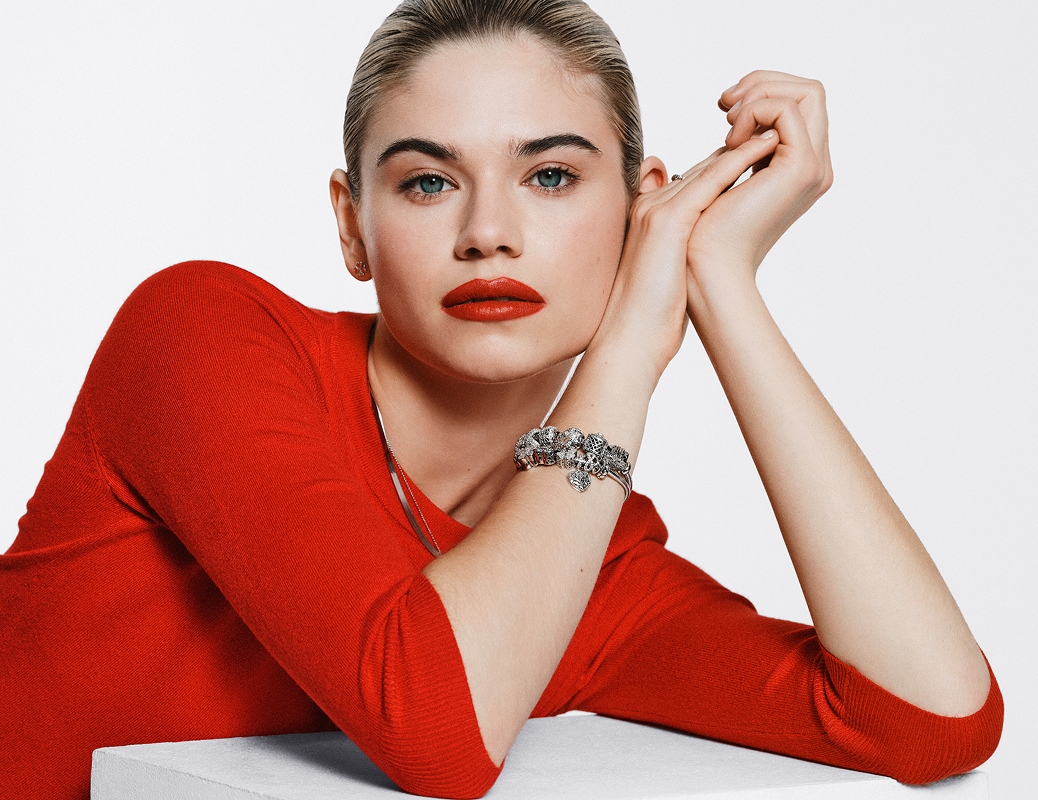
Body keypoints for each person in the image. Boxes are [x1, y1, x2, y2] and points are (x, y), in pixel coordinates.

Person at [0, 1, 1003, 798]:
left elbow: (931, 717)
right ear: (352, 227)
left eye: (553, 175)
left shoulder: (589, 574)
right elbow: (434, 731)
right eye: (428, 184)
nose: (489, 232)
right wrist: (630, 348)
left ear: (639, 206)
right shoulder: (205, 334)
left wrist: (718, 280)